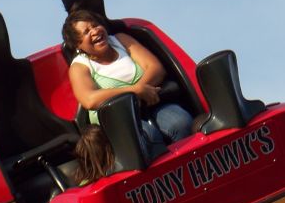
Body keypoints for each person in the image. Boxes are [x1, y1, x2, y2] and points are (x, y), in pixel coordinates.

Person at [62, 8, 193, 147]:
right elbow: (89, 99)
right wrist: (134, 92)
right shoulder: (79, 67)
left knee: (182, 123)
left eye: (95, 25)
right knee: (148, 137)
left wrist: (141, 92)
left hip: (151, 104)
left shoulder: (121, 40)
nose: (94, 31)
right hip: (119, 119)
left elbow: (155, 68)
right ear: (78, 44)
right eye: (86, 32)